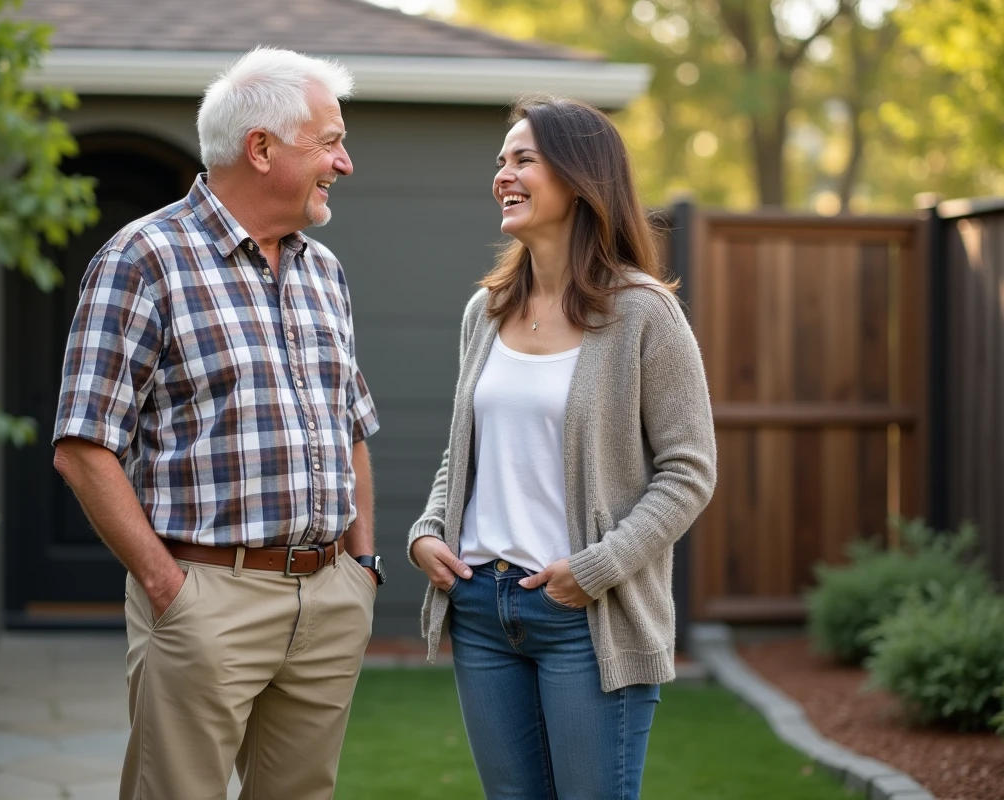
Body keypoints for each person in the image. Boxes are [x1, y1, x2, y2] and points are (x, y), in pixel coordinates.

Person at [51, 47, 385, 800]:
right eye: (330, 142)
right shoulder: (143, 258)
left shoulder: (323, 272)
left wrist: (360, 570)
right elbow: (82, 447)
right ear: (260, 148)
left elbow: (350, 425)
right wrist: (169, 588)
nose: (346, 162)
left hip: (329, 595)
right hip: (206, 595)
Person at [408, 96, 717, 800]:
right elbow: (467, 454)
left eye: (523, 160)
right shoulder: (484, 312)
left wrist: (596, 568)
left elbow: (690, 471)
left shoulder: (642, 312)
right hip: (482, 609)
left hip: (588, 614)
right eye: (500, 162)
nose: (502, 175)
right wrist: (429, 529)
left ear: (580, 178)